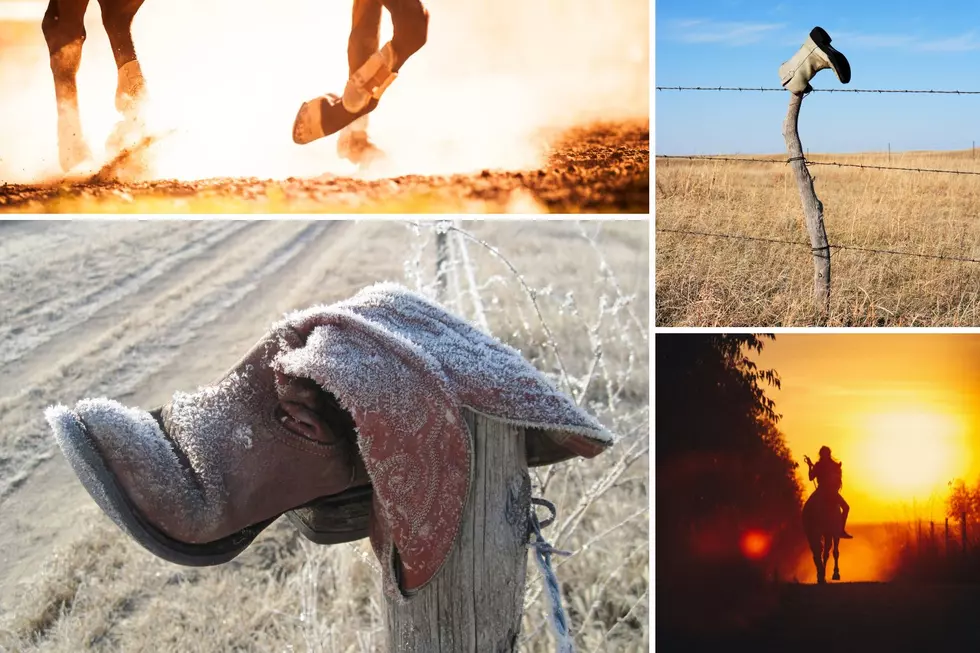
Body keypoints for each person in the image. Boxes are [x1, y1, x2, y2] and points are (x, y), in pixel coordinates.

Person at [805, 446, 853, 539]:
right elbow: (812, 478)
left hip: (823, 491)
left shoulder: (821, 465)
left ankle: (841, 530)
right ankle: (841, 530)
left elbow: (811, 477)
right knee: (846, 507)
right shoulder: (832, 465)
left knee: (846, 507)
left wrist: (810, 467)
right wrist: (811, 466)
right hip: (830, 492)